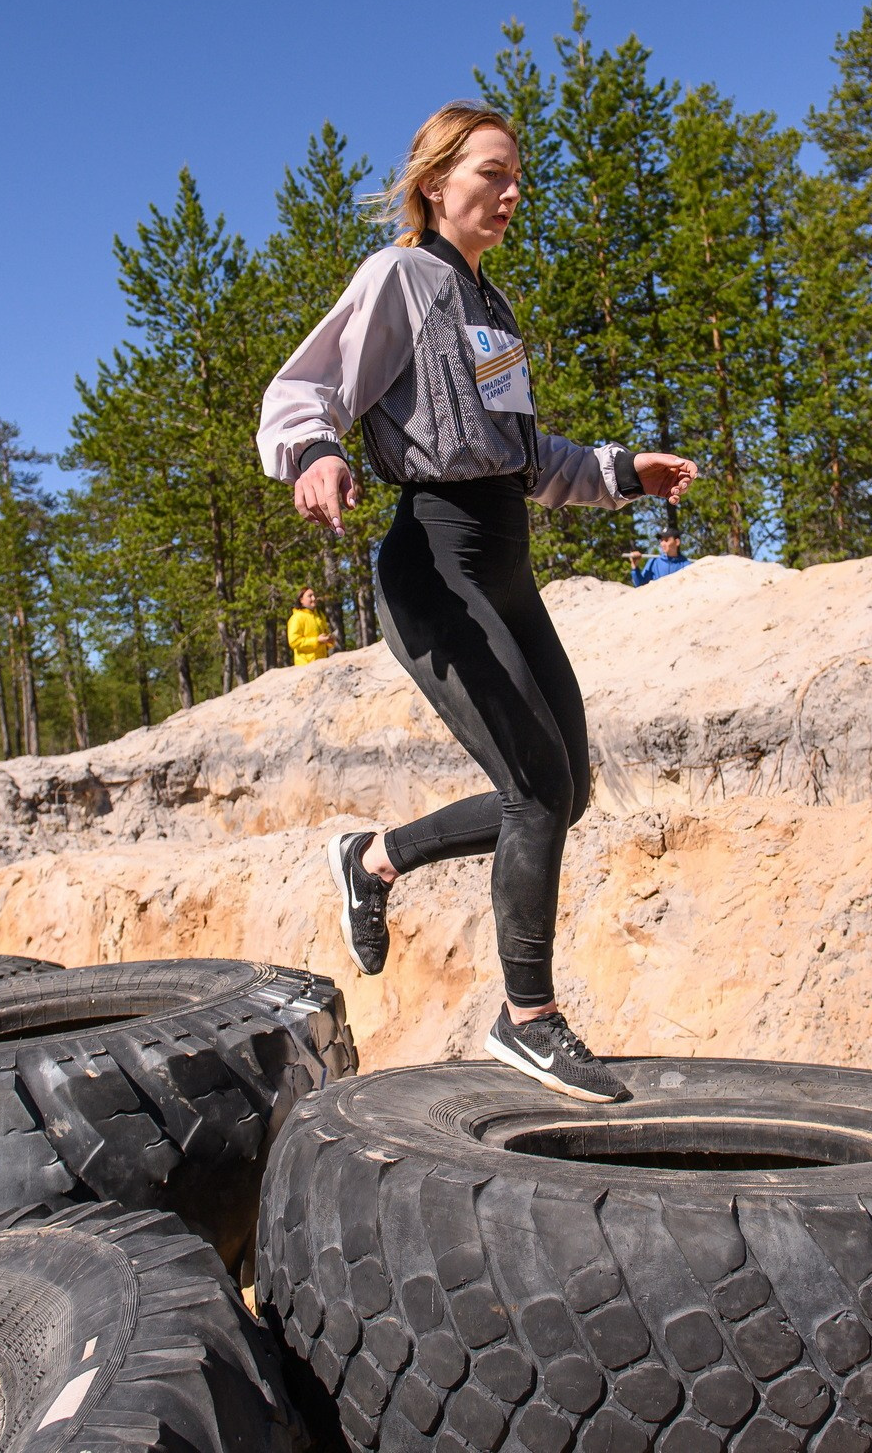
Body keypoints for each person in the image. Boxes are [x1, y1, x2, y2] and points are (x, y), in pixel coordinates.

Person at [257, 100, 698, 1102]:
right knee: (536, 790)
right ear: (434, 182)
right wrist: (315, 456)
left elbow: (524, 457)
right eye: (489, 175)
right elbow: (306, 389)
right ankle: (526, 1018)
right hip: (437, 561)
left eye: (514, 181)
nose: (507, 195)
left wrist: (625, 470)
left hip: (505, 561)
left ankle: (372, 861)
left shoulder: (488, 309)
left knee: (561, 791)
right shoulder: (399, 278)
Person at [286, 586, 336, 665]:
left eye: (314, 596)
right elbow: (294, 642)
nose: (314, 598)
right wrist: (317, 640)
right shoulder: (297, 617)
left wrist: (329, 640)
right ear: (301, 600)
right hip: (305, 665)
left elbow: (325, 634)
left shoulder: (319, 615)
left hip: (323, 662)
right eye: (310, 596)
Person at [625, 530, 690, 586]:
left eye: (666, 540)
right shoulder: (653, 562)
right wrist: (634, 567)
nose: (662, 544)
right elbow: (640, 585)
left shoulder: (687, 565)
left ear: (677, 542)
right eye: (661, 540)